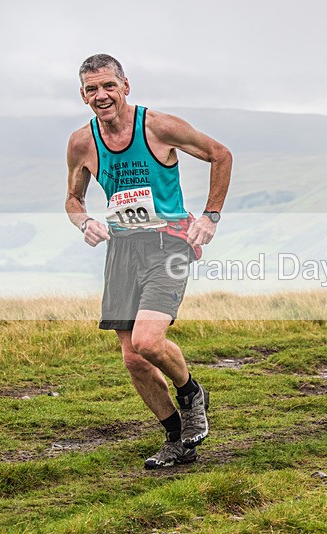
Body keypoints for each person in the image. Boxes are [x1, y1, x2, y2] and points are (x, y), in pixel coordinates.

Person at [65, 54, 232, 467]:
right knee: (133, 360)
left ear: (125, 86)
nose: (101, 96)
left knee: (147, 341)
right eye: (92, 89)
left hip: (167, 245)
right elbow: (73, 198)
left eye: (108, 86)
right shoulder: (82, 142)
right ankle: (176, 438)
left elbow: (220, 154)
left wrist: (210, 216)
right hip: (122, 249)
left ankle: (191, 391)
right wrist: (83, 221)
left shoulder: (157, 126)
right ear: (83, 95)